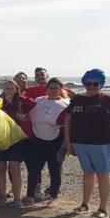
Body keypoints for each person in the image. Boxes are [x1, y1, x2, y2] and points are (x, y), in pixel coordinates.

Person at [63, 69, 110, 218]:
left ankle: (103, 209)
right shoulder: (77, 99)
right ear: (84, 84)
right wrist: (68, 142)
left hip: (103, 144)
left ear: (101, 84)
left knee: (102, 174)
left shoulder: (108, 99)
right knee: (87, 173)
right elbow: (68, 121)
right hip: (80, 144)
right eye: (88, 83)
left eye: (95, 83)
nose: (91, 86)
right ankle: (85, 204)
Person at [0, 80, 35, 209]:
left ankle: (17, 199)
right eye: (6, 88)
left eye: (11, 88)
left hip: (16, 139)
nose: (9, 90)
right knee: (0, 168)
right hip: (0, 139)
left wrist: (25, 117)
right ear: (3, 89)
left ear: (16, 89)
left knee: (14, 168)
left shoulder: (22, 100)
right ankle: (2, 197)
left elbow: (35, 109)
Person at [28, 78, 70, 208]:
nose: (52, 90)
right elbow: (27, 116)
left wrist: (65, 145)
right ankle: (30, 196)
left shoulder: (65, 105)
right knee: (34, 169)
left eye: (56, 88)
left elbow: (69, 126)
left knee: (55, 170)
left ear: (60, 89)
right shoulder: (38, 101)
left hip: (56, 140)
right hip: (37, 139)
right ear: (47, 89)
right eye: (50, 87)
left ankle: (53, 197)